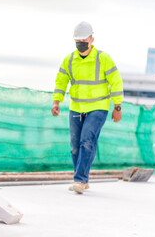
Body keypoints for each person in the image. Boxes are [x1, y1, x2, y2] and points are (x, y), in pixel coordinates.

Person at [51, 21, 123, 194]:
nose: (81, 43)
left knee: (87, 141)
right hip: (76, 107)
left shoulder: (103, 58)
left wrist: (117, 106)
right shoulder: (69, 60)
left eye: (84, 39)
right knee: (75, 145)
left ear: (92, 39)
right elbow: (61, 81)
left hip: (98, 108)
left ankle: (80, 180)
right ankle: (82, 177)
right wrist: (56, 101)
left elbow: (116, 81)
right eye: (78, 39)